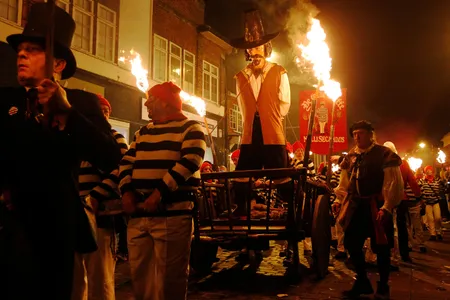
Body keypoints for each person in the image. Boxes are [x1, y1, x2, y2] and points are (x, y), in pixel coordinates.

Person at [0, 3, 121, 299]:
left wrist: (66, 114)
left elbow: (110, 157)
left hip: (54, 232)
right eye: (21, 49)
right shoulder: (5, 101)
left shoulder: (81, 105)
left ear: (58, 64)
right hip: (8, 227)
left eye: (34, 49)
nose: (22, 55)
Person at [119, 81, 206, 300]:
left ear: (166, 103)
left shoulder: (191, 128)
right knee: (141, 278)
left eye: (152, 99)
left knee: (170, 280)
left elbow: (190, 161)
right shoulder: (143, 132)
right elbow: (126, 162)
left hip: (172, 214)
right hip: (139, 216)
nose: (146, 103)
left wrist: (159, 193)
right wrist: (127, 192)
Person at [334, 121, 403, 299]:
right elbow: (345, 182)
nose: (357, 137)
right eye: (355, 134)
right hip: (357, 205)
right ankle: (362, 281)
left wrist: (387, 206)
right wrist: (338, 198)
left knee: (381, 247)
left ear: (371, 134)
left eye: (361, 133)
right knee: (350, 242)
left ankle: (383, 287)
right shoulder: (351, 156)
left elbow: (393, 182)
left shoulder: (385, 154)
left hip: (376, 205)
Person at [72, 95, 129, 300]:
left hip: (99, 211)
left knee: (100, 274)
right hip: (73, 210)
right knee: (75, 275)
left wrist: (96, 196)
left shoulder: (114, 137)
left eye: (106, 111)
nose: (103, 115)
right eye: (99, 111)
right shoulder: (73, 138)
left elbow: (121, 169)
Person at [230, 9, 290, 171]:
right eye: (251, 48)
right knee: (243, 175)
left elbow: (284, 103)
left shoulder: (279, 71)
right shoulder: (241, 76)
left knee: (279, 173)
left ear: (266, 48)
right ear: (247, 52)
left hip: (273, 131)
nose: (254, 52)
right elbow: (243, 108)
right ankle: (248, 197)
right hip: (250, 134)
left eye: (258, 47)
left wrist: (269, 116)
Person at [420, 165, 443, 241]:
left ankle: (439, 232)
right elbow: (419, 188)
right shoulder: (422, 181)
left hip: (436, 201)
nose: (429, 171)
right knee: (430, 219)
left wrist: (443, 182)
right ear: (425, 172)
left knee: (438, 218)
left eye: (430, 170)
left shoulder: (437, 180)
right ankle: (433, 234)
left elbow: (441, 189)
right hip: (428, 202)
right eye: (427, 170)